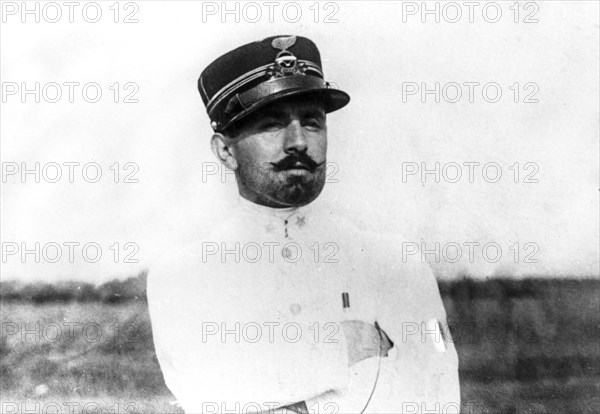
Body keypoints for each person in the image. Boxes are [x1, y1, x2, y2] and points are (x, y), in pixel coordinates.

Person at [148, 35, 460, 414]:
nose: (298, 142)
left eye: (312, 122)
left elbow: (437, 390)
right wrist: (341, 346)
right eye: (271, 124)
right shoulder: (184, 274)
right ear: (226, 151)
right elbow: (207, 393)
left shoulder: (397, 264)